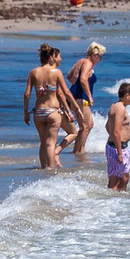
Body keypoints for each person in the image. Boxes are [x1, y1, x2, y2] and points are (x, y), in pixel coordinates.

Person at [23, 44, 76, 172]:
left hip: (38, 111)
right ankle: (50, 169)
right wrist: (74, 107)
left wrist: (25, 112)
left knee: (43, 142)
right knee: (51, 143)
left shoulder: (33, 72)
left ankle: (43, 168)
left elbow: (27, 94)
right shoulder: (56, 72)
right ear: (51, 57)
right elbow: (66, 92)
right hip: (52, 111)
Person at [65, 42, 105, 159]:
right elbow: (83, 80)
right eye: (100, 57)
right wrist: (89, 96)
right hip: (81, 97)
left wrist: (75, 83)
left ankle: (77, 150)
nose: (100, 60)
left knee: (84, 126)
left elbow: (69, 76)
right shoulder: (88, 63)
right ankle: (79, 151)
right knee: (87, 125)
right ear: (94, 55)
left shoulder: (80, 61)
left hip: (74, 96)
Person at [105, 81, 130, 193]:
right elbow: (116, 131)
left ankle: (122, 202)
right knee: (114, 180)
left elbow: (107, 126)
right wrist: (118, 151)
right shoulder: (120, 108)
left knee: (125, 177)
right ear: (127, 95)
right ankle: (110, 204)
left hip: (121, 146)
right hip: (117, 148)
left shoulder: (116, 106)